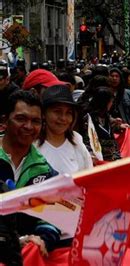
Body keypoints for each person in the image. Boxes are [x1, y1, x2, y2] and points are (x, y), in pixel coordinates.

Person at [0, 90, 61, 258]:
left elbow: (54, 217)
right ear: (5, 120)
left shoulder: (46, 171)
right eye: (21, 119)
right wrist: (12, 242)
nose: (28, 126)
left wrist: (42, 239)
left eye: (35, 121)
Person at [36, 85, 93, 174]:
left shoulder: (77, 142)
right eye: (57, 111)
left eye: (68, 113)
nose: (63, 118)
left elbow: (88, 177)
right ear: (43, 114)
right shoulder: (33, 144)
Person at [81, 87, 123, 162]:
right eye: (110, 102)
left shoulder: (106, 116)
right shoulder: (88, 119)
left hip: (111, 158)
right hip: (98, 160)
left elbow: (112, 138)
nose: (111, 104)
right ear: (104, 102)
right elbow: (86, 142)